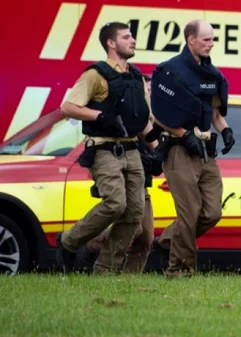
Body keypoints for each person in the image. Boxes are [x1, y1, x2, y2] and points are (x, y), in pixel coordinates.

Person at [55, 21, 155, 274]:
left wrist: (156, 146)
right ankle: (69, 241)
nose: (133, 40)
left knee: (134, 214)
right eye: (126, 37)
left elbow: (142, 121)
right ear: (111, 43)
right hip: (104, 149)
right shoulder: (95, 74)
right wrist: (99, 116)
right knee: (115, 203)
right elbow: (68, 107)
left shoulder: (135, 77)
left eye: (132, 36)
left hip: (132, 150)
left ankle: (105, 271)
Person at [149, 19, 235, 278]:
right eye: (206, 39)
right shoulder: (169, 71)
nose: (211, 44)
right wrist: (183, 134)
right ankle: (180, 270)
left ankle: (165, 242)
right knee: (189, 214)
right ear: (191, 40)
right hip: (179, 151)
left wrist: (226, 130)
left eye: (212, 39)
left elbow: (215, 113)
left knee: (212, 212)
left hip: (207, 152)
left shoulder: (213, 74)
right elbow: (158, 113)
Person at [76, 138, 162, 273]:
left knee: (145, 238)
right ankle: (91, 244)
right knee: (135, 227)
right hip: (123, 176)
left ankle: (130, 280)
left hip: (141, 179)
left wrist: (158, 152)